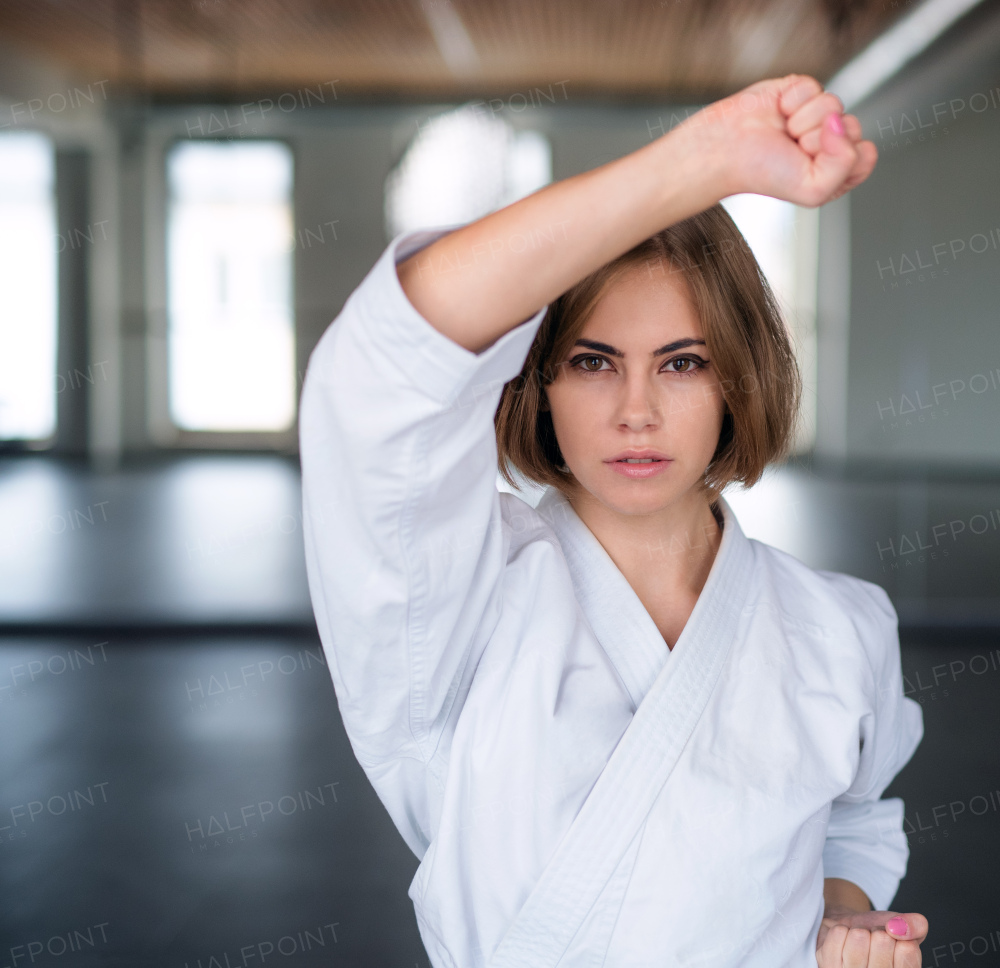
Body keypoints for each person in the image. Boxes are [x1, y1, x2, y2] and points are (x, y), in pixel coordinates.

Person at [299, 73, 926, 968]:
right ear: (539, 381)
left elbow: (857, 819)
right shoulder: (456, 617)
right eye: (594, 361)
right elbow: (378, 381)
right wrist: (697, 164)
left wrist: (843, 916)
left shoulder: (840, 628)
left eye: (681, 364)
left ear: (736, 378)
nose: (637, 410)